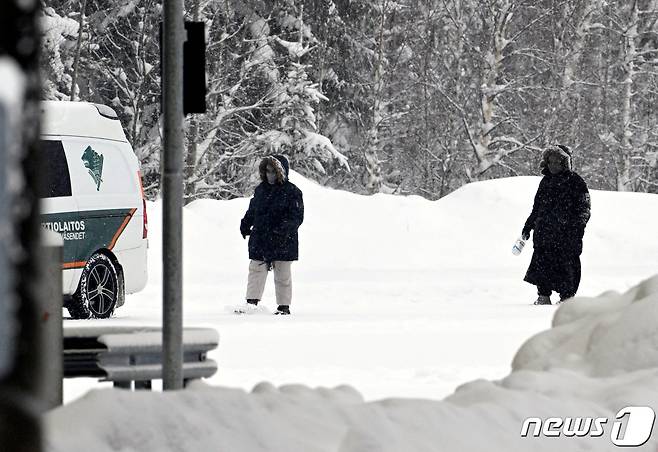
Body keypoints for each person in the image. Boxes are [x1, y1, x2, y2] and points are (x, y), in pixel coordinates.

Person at [521, 145, 591, 305]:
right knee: (542, 264)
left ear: (565, 163)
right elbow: (537, 208)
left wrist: (576, 229)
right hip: (544, 235)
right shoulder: (545, 182)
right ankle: (543, 296)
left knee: (567, 267)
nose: (553, 165)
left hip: (567, 237)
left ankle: (567, 299)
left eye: (557, 162)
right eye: (550, 162)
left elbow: (584, 209)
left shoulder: (576, 182)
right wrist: (528, 226)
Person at [236, 155, 304, 315]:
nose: (270, 174)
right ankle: (251, 302)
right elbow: (252, 210)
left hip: (283, 241)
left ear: (282, 172)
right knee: (256, 269)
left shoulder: (293, 192)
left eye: (273, 171)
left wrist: (282, 231)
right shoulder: (261, 190)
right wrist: (245, 223)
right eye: (267, 171)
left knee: (283, 274)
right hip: (261, 238)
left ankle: (283, 307)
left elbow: (296, 217)